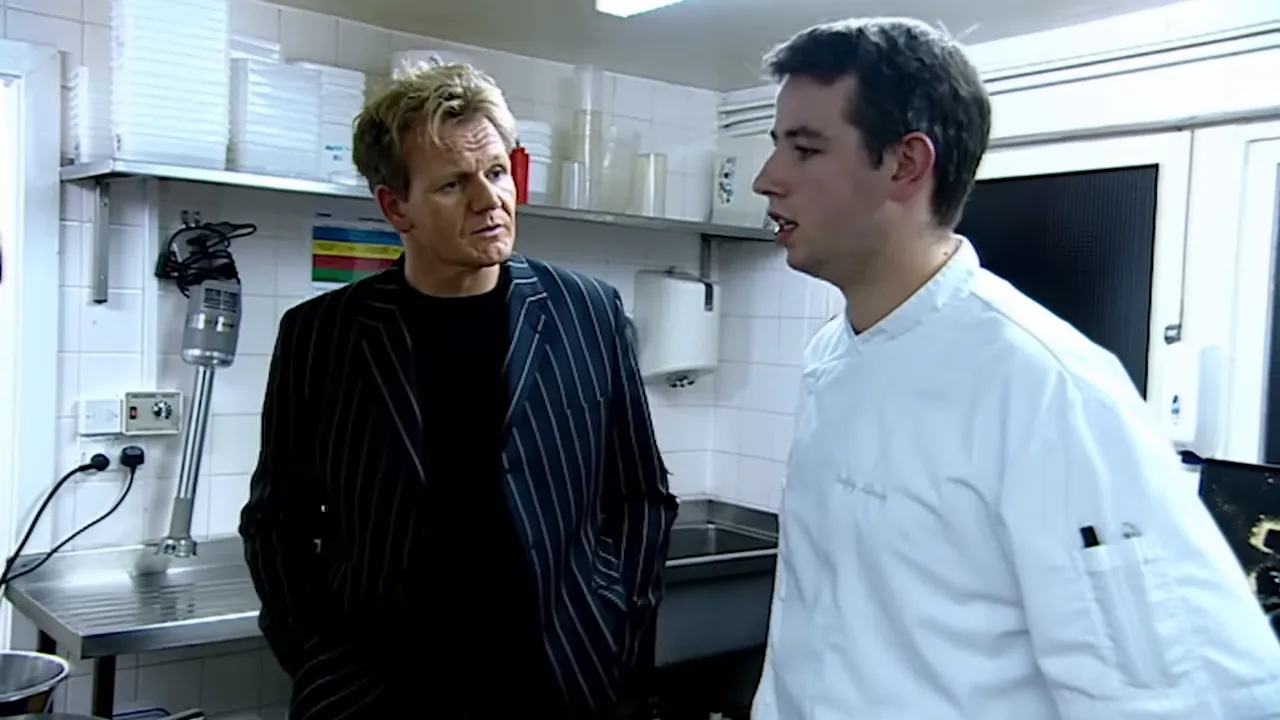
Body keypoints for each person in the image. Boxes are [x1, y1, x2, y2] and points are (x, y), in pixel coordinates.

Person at [750, 17, 1280, 720]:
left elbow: (1185, 696)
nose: (766, 179)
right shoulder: (833, 352)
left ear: (905, 164)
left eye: (805, 149)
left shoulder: (1047, 389)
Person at [239, 62, 678, 719]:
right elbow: (277, 521)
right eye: (452, 184)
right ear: (396, 207)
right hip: (384, 691)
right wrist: (319, 661)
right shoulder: (321, 335)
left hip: (562, 680)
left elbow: (641, 494)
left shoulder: (588, 311)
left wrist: (617, 625)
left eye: (497, 172)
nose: (488, 201)